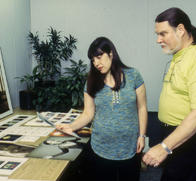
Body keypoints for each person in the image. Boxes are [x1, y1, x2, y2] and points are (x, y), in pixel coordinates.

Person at [142, 7, 196, 181]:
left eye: (163, 33)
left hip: (194, 138)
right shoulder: (180, 56)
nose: (158, 40)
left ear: (180, 30)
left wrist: (164, 147)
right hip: (177, 135)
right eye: (157, 34)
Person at [57, 37, 148, 181]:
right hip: (101, 148)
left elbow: (142, 108)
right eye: (93, 60)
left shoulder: (133, 75)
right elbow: (88, 113)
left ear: (111, 53)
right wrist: (71, 127)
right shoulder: (91, 82)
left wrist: (142, 136)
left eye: (99, 57)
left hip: (130, 147)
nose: (96, 63)